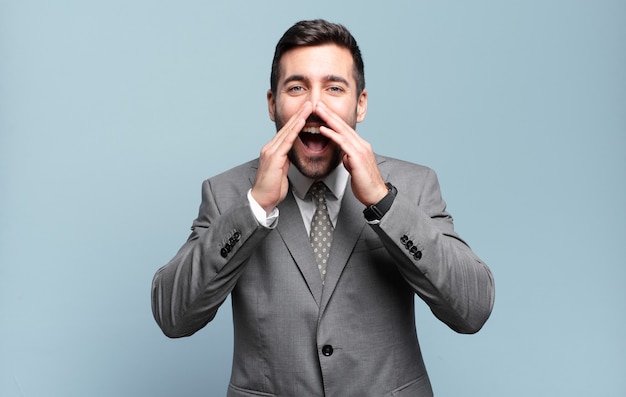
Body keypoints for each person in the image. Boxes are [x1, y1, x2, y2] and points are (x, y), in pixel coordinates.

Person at [152, 19, 495, 397]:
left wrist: (384, 201)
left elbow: (472, 309)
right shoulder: (225, 192)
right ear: (272, 104)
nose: (314, 107)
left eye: (334, 88)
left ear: (360, 104)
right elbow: (173, 316)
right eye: (297, 87)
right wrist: (253, 207)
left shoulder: (415, 184)